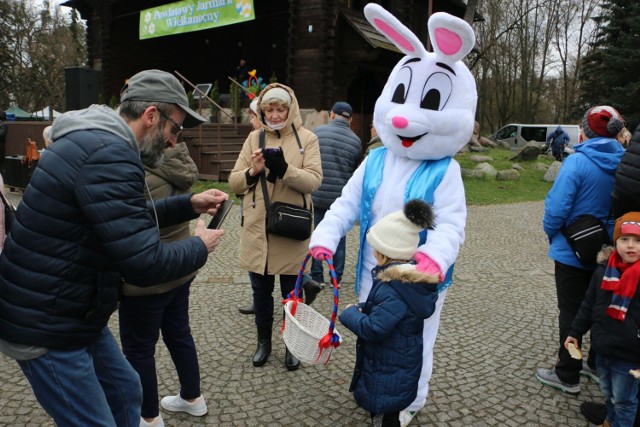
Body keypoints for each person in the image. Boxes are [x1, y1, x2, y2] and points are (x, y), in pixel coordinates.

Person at [0, 69, 228, 426]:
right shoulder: (109, 154)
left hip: (75, 311)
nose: (173, 142)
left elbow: (123, 218)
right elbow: (144, 262)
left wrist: (187, 204)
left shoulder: (98, 141)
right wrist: (199, 246)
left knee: (126, 389)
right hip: (46, 323)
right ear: (151, 116)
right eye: (175, 129)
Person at [228, 84, 322, 371]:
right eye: (269, 109)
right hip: (258, 229)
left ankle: (292, 345)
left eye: (281, 108)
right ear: (263, 111)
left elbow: (314, 181)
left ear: (290, 108)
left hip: (290, 228)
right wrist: (253, 171)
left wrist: (284, 170)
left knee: (291, 294)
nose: (275, 114)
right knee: (260, 292)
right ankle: (263, 343)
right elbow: (234, 182)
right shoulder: (253, 138)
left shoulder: (307, 139)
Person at [536, 105, 626, 395]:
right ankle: (595, 364)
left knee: (571, 312)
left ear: (585, 130)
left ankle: (567, 373)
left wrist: (551, 233)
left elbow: (557, 207)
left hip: (571, 249)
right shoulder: (625, 161)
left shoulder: (576, 162)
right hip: (609, 250)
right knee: (600, 309)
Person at [119, 142, 206, 427]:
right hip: (180, 266)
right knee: (179, 334)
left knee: (139, 349)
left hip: (148, 276)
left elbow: (129, 220)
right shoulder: (179, 161)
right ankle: (193, 398)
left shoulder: (137, 170)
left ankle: (148, 417)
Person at [339, 200, 439, 427]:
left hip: (388, 372)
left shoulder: (393, 288)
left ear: (384, 253)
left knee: (385, 418)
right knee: (386, 412)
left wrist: (350, 314)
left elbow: (375, 328)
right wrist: (365, 307)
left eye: (375, 247)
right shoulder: (402, 282)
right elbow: (387, 312)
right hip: (396, 365)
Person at [565, 212, 640, 427]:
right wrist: (574, 332)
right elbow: (588, 305)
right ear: (615, 241)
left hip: (629, 354)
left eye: (638, 240)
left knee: (624, 400)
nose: (630, 245)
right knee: (607, 391)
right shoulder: (603, 271)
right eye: (624, 239)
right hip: (603, 347)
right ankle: (610, 420)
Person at [310, 101, 362, 285]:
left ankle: (317, 277)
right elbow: (355, 170)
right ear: (350, 119)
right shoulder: (355, 141)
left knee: (317, 233)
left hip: (316, 193)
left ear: (331, 115)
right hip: (339, 197)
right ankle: (335, 277)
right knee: (339, 236)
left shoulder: (317, 133)